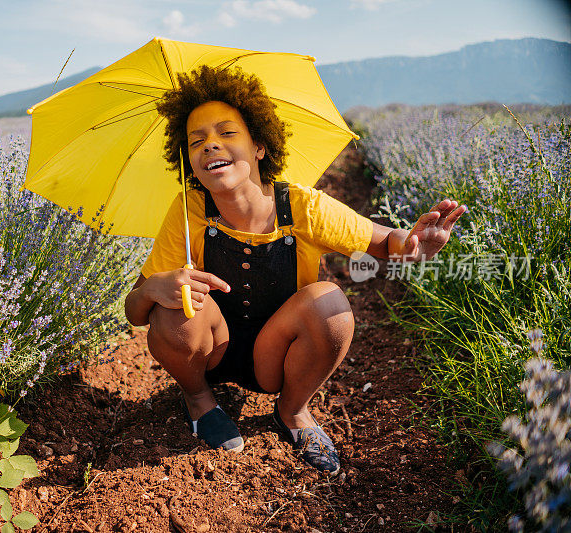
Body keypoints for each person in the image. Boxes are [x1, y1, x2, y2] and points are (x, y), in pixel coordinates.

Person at [123, 66, 465, 474]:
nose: (210, 146)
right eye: (197, 142)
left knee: (329, 302)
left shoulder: (302, 206)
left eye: (226, 134)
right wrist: (155, 288)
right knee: (174, 304)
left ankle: (293, 411)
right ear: (190, 162)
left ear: (260, 147)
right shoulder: (189, 212)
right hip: (211, 347)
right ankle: (199, 400)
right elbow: (135, 311)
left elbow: (381, 241)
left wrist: (414, 246)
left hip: (277, 353)